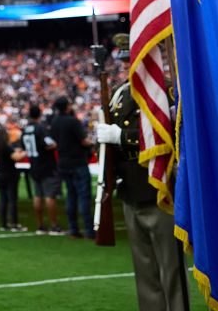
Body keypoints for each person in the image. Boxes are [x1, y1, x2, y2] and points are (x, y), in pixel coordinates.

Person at [95, 82, 188, 311]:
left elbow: (168, 133)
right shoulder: (120, 92)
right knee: (145, 271)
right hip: (130, 190)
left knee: (172, 269)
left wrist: (123, 137)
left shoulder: (162, 88)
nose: (129, 62)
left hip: (159, 190)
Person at [49, 97, 94, 239]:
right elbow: (83, 141)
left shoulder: (54, 122)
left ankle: (73, 228)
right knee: (84, 196)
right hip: (78, 162)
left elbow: (54, 141)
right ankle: (89, 230)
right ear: (68, 106)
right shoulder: (73, 121)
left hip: (63, 162)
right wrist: (94, 142)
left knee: (71, 196)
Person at [23, 103, 63, 235]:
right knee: (50, 196)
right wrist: (55, 144)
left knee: (37, 196)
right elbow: (49, 144)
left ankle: (40, 225)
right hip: (45, 164)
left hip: (33, 164)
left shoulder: (25, 129)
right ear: (39, 114)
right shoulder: (41, 128)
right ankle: (54, 225)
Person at [0, 123, 27, 232]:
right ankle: (14, 223)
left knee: (3, 200)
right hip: (10, 174)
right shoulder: (7, 147)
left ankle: (3, 224)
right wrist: (24, 153)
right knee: (12, 200)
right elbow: (16, 158)